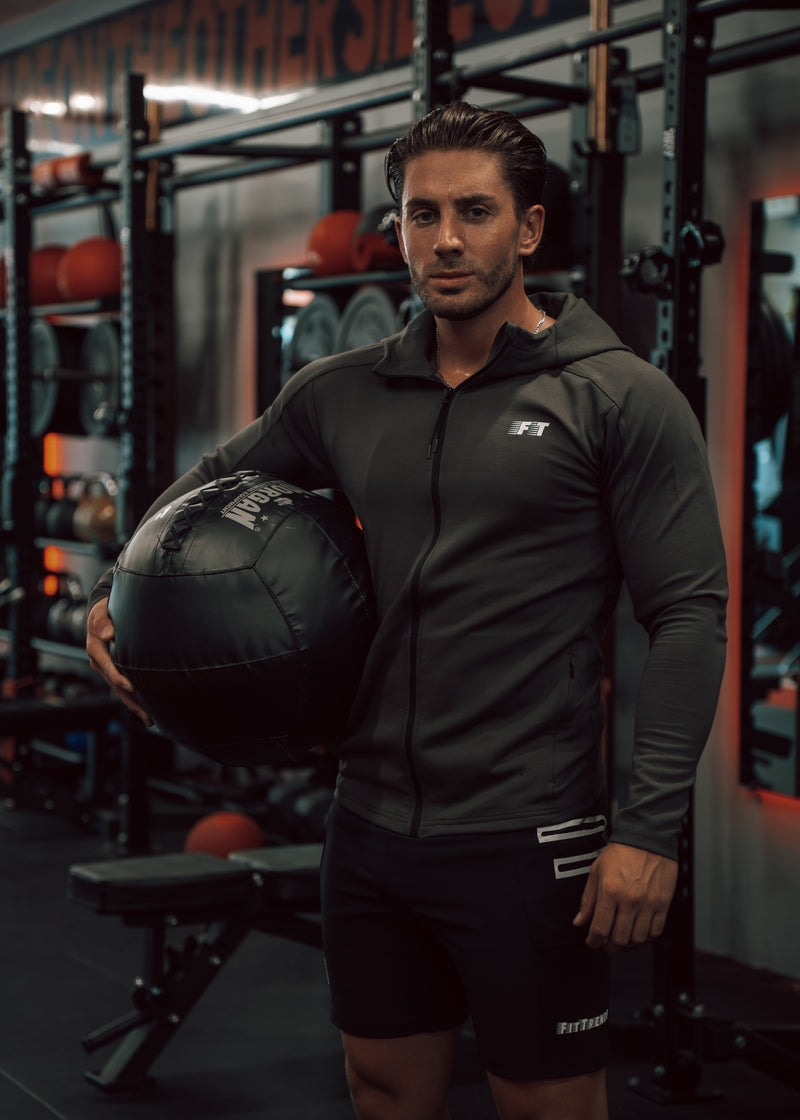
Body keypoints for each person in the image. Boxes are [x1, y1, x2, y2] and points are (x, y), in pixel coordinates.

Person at [86, 101, 728, 1120]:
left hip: (529, 831)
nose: (443, 239)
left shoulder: (616, 397)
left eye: (473, 212)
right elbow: (210, 480)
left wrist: (647, 832)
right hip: (371, 827)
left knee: (546, 1101)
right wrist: (117, 588)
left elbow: (689, 617)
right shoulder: (339, 391)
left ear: (525, 228)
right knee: (380, 1088)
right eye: (419, 215)